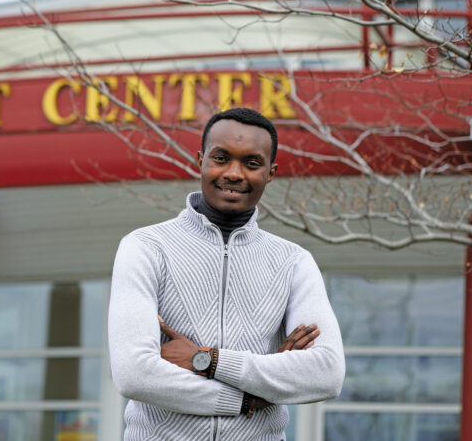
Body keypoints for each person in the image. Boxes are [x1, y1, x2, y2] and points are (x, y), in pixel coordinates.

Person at [107, 107, 345, 440]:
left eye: (252, 163)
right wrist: (250, 397)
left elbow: (326, 374)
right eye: (221, 158)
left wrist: (208, 360)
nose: (234, 173)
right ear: (200, 160)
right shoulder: (146, 247)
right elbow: (135, 374)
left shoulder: (294, 262)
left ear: (271, 172)